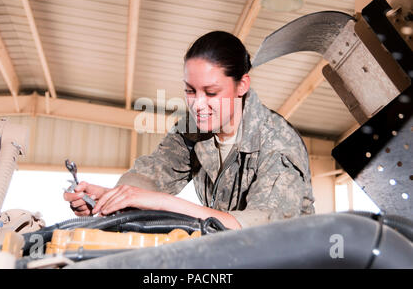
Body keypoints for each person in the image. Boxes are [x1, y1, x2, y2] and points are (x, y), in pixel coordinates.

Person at [64, 31, 315, 230]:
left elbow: (264, 229)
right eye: (190, 91)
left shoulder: (278, 144)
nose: (198, 104)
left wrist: (163, 203)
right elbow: (153, 174)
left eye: (211, 92)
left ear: (242, 85)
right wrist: (113, 200)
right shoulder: (192, 130)